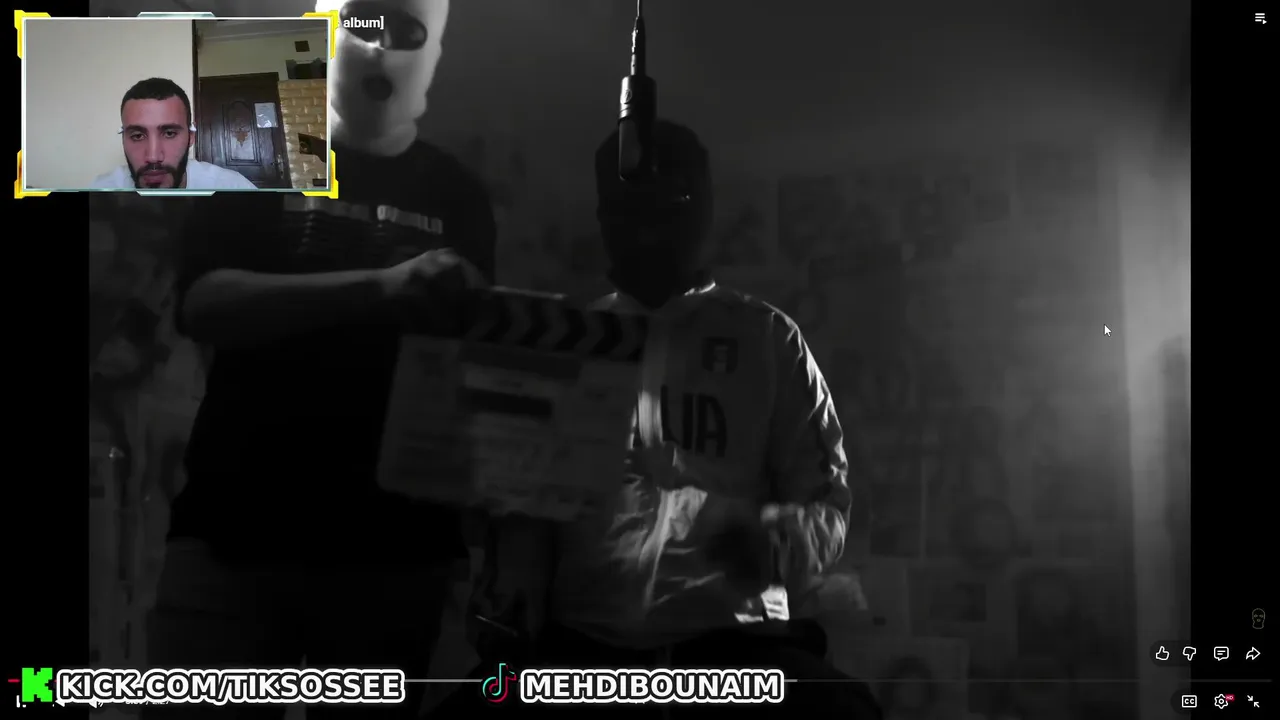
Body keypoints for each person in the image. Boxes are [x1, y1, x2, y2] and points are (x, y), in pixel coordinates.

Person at [436, 121, 881, 717]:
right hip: (583, 645)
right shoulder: (561, 344)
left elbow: (826, 501)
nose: (647, 230)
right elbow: (519, 509)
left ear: (702, 210)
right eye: (628, 211)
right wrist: (506, 578)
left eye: (668, 207)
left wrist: (779, 541)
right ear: (604, 219)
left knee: (845, 710)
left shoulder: (768, 339)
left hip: (733, 643)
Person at [143, 0, 495, 717]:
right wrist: (381, 289)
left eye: (405, 31)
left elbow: (472, 364)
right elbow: (203, 302)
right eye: (364, 24)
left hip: (390, 549)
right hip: (239, 527)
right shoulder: (256, 148)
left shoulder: (456, 194)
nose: (381, 47)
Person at [91, 78, 257, 190]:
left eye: (169, 133)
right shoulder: (100, 193)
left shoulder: (233, 189)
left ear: (191, 136)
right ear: (123, 139)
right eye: (137, 136)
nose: (153, 157)